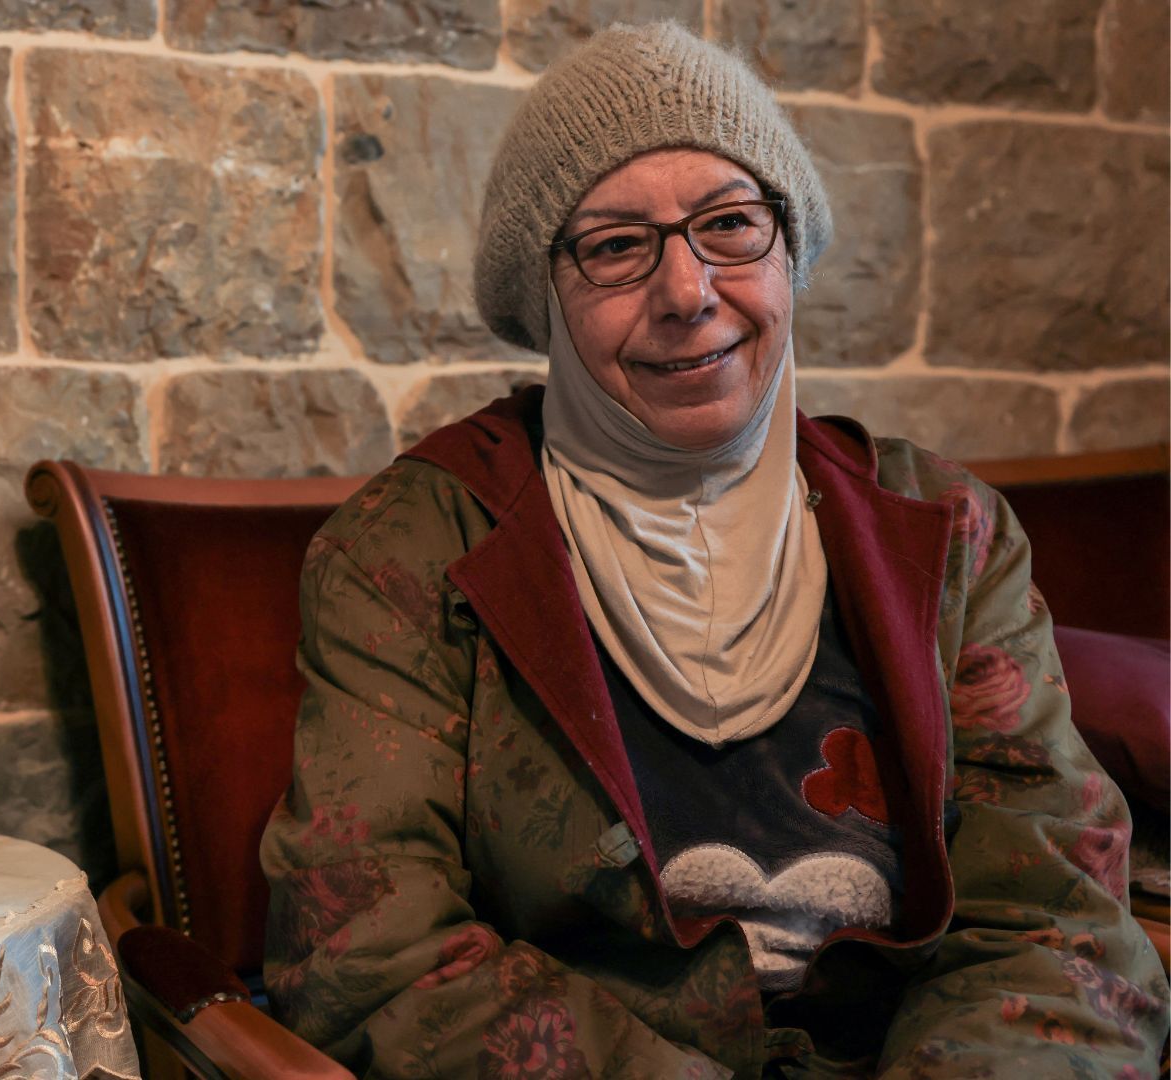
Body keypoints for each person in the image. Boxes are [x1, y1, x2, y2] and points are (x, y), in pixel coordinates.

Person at [260, 22, 1168, 1078]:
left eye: (730, 224)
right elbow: (369, 953)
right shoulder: (411, 551)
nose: (688, 293)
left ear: (791, 250)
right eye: (612, 246)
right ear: (543, 298)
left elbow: (1055, 923)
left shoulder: (947, 532)